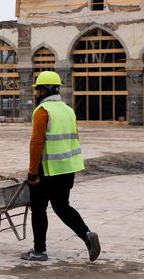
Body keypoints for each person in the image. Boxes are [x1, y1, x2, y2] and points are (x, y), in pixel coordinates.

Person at [20, 70, 101, 262]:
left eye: (38, 89)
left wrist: (32, 173)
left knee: (38, 209)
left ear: (45, 90)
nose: (36, 92)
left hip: (47, 170)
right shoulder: (68, 110)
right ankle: (87, 236)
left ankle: (39, 250)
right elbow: (75, 138)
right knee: (62, 206)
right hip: (67, 168)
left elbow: (36, 143)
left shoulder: (42, 111)